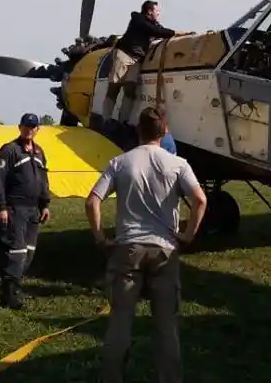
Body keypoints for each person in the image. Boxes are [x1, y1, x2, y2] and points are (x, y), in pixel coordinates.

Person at [84, 106, 207, 383]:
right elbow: (200, 200)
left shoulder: (120, 162)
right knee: (166, 327)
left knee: (120, 322)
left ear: (138, 131)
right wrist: (187, 235)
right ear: (164, 132)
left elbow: (92, 201)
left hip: (127, 249)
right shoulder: (178, 164)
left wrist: (101, 238)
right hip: (164, 250)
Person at [0, 112, 52, 310]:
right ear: (20, 127)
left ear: (37, 130)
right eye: (26, 126)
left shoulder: (39, 152)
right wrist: (1, 207)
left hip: (34, 209)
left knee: (29, 253)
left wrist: (45, 205)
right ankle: (8, 295)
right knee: (17, 251)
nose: (30, 130)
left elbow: (43, 180)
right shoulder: (9, 150)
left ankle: (13, 285)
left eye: (33, 127)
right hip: (15, 208)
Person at [100, 0, 192, 125]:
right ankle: (106, 119)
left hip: (137, 59)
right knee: (114, 86)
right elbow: (155, 31)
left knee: (130, 90)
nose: (158, 14)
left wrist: (183, 34)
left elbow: (162, 31)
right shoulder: (138, 19)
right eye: (157, 11)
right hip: (125, 54)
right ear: (149, 11)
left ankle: (123, 121)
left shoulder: (154, 24)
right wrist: (177, 32)